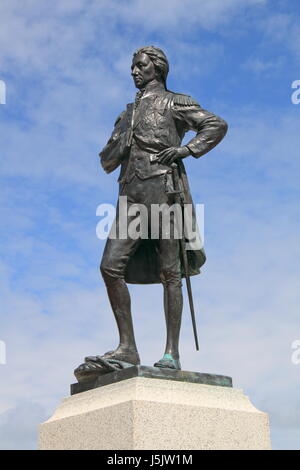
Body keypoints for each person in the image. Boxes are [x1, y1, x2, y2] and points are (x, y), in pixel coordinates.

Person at [84, 46, 227, 375]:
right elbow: (107, 160)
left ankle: (171, 353)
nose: (134, 71)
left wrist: (185, 149)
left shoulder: (176, 102)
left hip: (164, 191)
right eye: (132, 66)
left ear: (157, 69)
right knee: (110, 267)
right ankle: (127, 348)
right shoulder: (127, 112)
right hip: (130, 196)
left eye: (140, 66)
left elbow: (215, 125)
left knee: (170, 273)